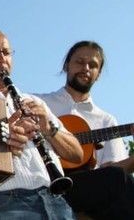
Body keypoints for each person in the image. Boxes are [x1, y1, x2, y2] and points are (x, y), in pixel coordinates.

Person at [0, 27, 83, 220]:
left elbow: (77, 154)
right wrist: (2, 145)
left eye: (6, 52)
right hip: (3, 203)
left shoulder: (33, 102)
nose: (2, 59)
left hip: (56, 201)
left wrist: (48, 129)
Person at [36, 41, 134, 219]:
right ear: (66, 65)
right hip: (38, 182)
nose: (86, 68)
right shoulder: (39, 103)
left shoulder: (106, 120)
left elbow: (114, 173)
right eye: (79, 62)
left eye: (93, 65)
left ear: (98, 74)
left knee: (117, 179)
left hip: (76, 189)